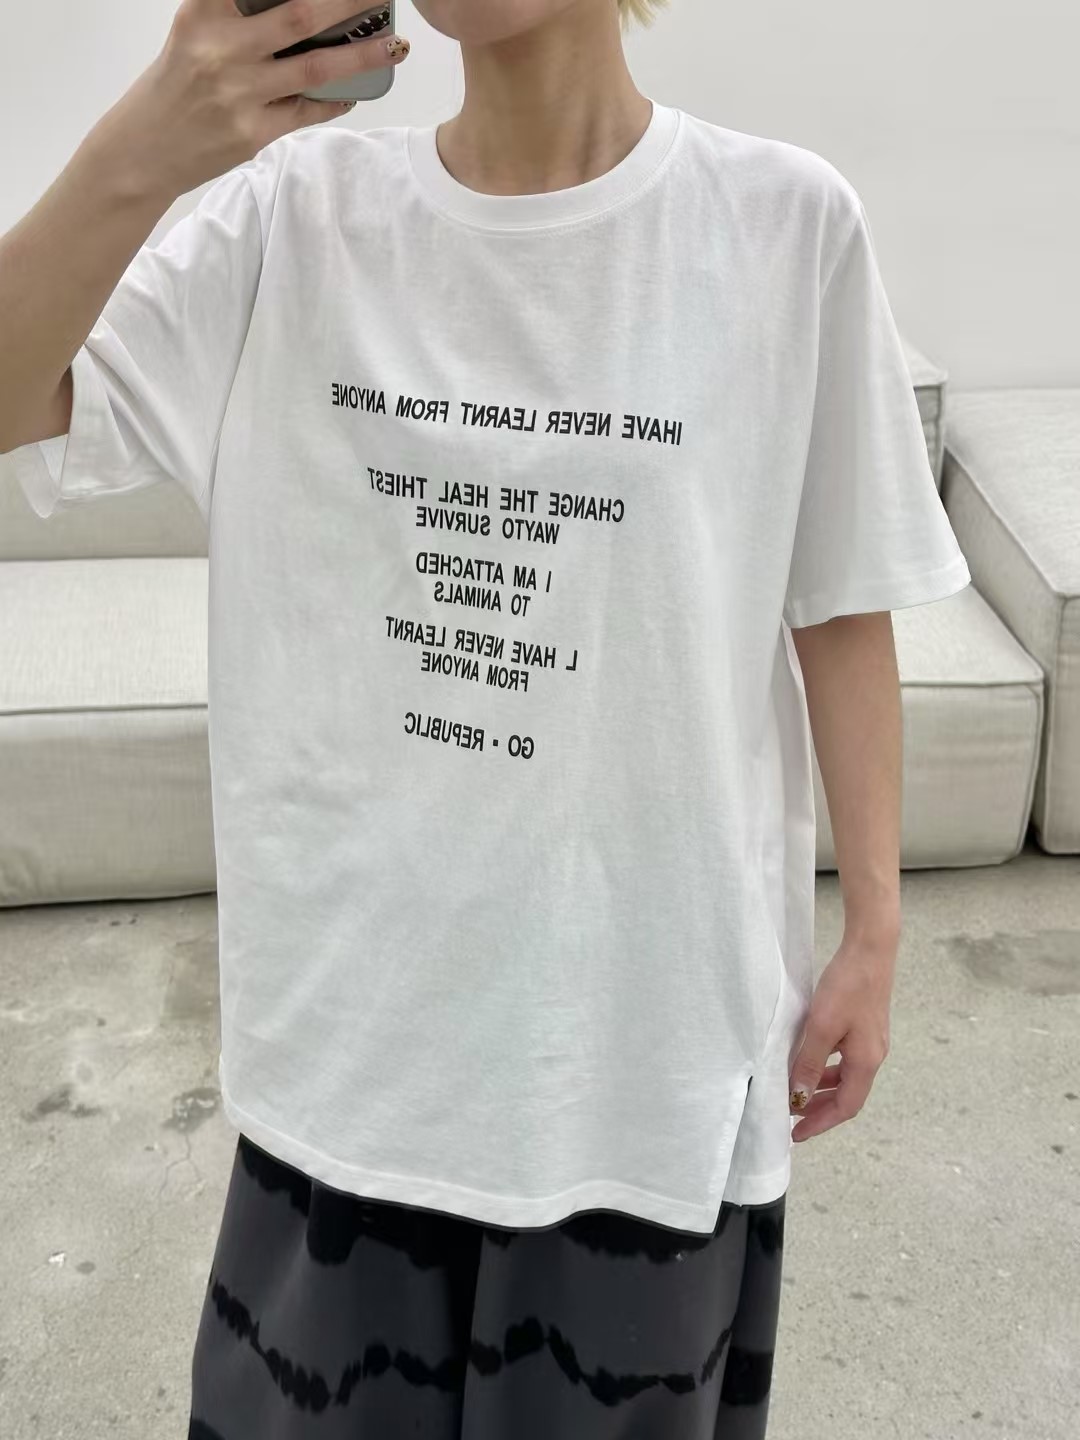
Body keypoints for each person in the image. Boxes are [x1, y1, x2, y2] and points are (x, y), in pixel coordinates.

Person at [0, 0, 972, 1435]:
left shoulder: (781, 223)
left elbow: (839, 601)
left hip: (641, 1069)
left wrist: (875, 931)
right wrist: (145, 145)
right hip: (351, 1062)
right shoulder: (295, 213)